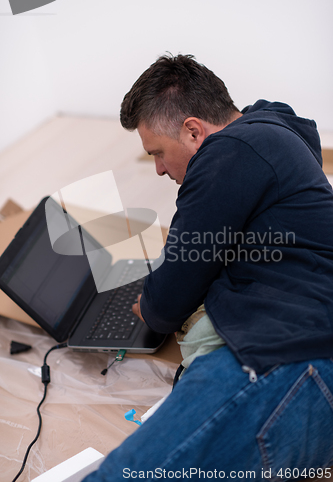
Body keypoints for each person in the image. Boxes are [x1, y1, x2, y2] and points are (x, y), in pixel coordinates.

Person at [83, 54, 333, 481]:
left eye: (158, 153)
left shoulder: (231, 151)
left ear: (194, 131)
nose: (159, 168)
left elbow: (163, 306)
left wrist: (154, 297)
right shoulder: (272, 134)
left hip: (288, 356)